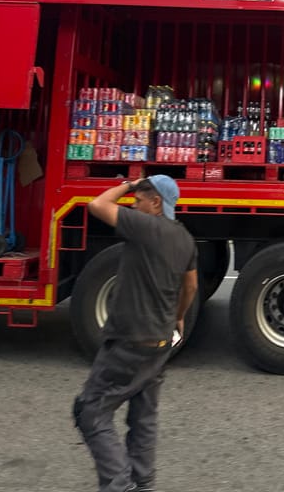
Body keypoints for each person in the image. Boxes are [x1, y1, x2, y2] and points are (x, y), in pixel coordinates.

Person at [73, 175, 198, 492]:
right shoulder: (185, 238)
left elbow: (97, 204)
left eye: (138, 200)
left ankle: (120, 484)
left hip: (128, 343)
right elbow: (191, 286)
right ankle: (143, 483)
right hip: (159, 342)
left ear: (155, 203)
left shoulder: (144, 227)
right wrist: (179, 318)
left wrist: (129, 183)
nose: (133, 204)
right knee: (143, 418)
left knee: (90, 411)